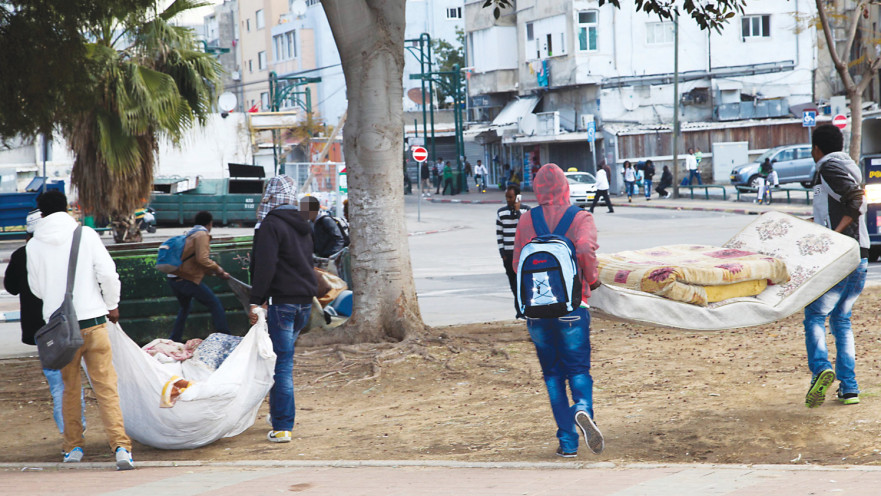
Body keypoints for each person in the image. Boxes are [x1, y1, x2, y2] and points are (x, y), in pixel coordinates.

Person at [26, 190, 134, 469]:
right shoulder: (85, 235)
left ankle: (73, 448)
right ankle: (121, 448)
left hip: (60, 329)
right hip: (94, 322)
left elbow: (36, 289)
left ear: (42, 213)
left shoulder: (33, 245)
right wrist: (112, 304)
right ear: (66, 208)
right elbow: (108, 274)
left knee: (69, 389)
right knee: (106, 388)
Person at [513, 163, 604, 457]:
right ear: (565, 186)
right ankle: (582, 407)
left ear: (537, 188)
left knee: (553, 375)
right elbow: (586, 251)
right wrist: (590, 280)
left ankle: (567, 443)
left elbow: (517, 264)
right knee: (578, 369)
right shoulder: (580, 217)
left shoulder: (527, 220)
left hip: (537, 312)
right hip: (573, 307)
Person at [803, 124, 870, 408]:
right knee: (841, 320)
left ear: (816, 148)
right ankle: (849, 388)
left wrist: (835, 234)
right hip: (859, 255)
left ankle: (821, 368)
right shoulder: (848, 165)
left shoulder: (828, 166)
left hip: (839, 256)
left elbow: (856, 201)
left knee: (814, 314)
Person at [248, 179, 318, 443]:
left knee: (281, 365)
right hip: (304, 302)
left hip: (282, 303)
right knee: (283, 360)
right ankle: (278, 414)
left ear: (270, 196)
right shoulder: (303, 224)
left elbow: (264, 265)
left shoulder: (271, 225)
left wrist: (256, 300)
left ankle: (282, 426)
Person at [4, 210, 85, 435]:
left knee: (57, 382)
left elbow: (10, 287)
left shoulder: (22, 254)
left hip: (40, 331)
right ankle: (78, 429)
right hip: (66, 322)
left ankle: (69, 434)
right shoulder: (65, 250)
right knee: (73, 378)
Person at [166, 211, 231, 343]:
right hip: (185, 279)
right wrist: (219, 269)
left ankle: (174, 339)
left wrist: (215, 273)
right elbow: (203, 259)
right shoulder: (202, 234)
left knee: (185, 307)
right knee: (214, 303)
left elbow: (194, 261)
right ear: (210, 223)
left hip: (173, 278)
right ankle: (225, 339)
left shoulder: (190, 234)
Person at [496, 185, 531, 320]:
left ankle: (527, 310)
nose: (508, 200)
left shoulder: (526, 211)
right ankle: (520, 312)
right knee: (514, 285)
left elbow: (527, 228)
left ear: (517, 197)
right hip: (509, 256)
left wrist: (517, 212)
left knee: (525, 284)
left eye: (511, 197)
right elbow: (499, 235)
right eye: (507, 197)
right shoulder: (501, 213)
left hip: (523, 255)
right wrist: (503, 255)